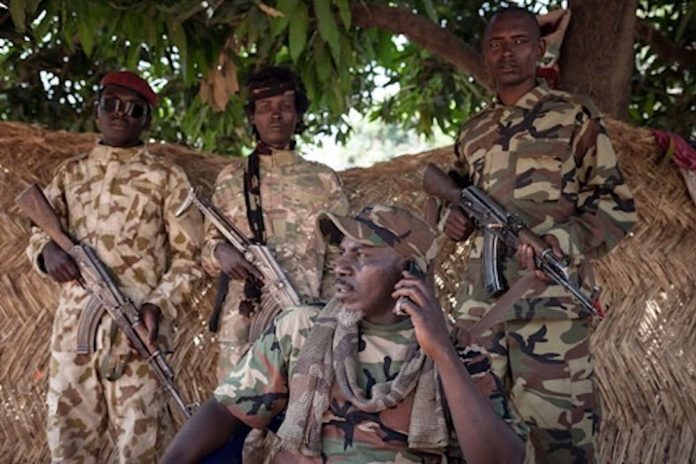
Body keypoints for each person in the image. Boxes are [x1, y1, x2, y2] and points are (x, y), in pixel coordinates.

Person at [163, 204, 526, 464]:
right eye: (343, 251)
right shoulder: (303, 329)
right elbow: (225, 411)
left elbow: (502, 457)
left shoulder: (457, 355)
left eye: (363, 254)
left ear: (409, 271)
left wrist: (442, 353)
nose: (341, 265)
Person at [442, 6, 637, 463]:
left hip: (550, 312)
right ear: (486, 56)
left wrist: (557, 241)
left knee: (561, 445)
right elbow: (455, 195)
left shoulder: (573, 117)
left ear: (540, 48)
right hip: (481, 314)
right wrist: (455, 220)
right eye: (496, 44)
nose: (507, 52)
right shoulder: (472, 132)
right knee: (471, 438)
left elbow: (617, 207)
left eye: (519, 41)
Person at [26, 71, 204, 463]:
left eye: (134, 109)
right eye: (111, 103)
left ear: (146, 120)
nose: (121, 114)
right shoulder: (71, 173)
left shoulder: (166, 177)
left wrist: (159, 305)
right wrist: (46, 253)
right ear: (97, 109)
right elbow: (39, 232)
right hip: (74, 332)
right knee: (67, 440)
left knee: (139, 445)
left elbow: (191, 258)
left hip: (138, 333)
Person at [201, 65, 349, 380]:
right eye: (265, 108)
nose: (275, 116)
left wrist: (325, 314)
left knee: (301, 413)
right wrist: (221, 254)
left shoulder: (322, 180)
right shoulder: (231, 179)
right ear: (253, 117)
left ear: (298, 116)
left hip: (307, 315)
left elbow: (341, 256)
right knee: (238, 418)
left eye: (285, 107)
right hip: (243, 321)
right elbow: (208, 246)